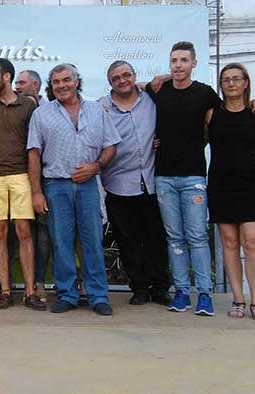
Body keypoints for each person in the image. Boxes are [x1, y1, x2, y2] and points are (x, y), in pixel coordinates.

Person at [28, 63, 120, 315]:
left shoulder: (96, 110)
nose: (62, 85)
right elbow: (34, 154)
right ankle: (67, 294)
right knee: (62, 243)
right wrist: (36, 192)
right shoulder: (41, 115)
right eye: (56, 82)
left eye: (66, 79)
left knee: (92, 241)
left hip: (88, 185)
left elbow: (111, 145)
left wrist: (96, 166)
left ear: (77, 81)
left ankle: (98, 296)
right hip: (56, 185)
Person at [146, 41, 221, 316]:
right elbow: (133, 86)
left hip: (193, 177)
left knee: (197, 236)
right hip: (164, 177)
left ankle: (204, 294)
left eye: (183, 60)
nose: (178, 65)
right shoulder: (160, 90)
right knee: (174, 237)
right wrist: (162, 78)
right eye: (174, 61)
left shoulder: (205, 93)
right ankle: (180, 292)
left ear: (194, 64)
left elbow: (217, 127)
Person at [100, 60, 172, 306]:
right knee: (128, 242)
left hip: (151, 183)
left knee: (156, 240)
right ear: (110, 83)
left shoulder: (151, 98)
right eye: (116, 78)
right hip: (118, 185)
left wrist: (158, 79)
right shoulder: (100, 107)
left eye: (126, 75)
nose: (122, 80)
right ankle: (139, 288)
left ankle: (160, 288)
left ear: (134, 75)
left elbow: (177, 77)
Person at [0, 57, 42, 310]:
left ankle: (30, 292)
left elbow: (34, 146)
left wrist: (35, 185)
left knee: (24, 232)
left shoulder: (28, 105)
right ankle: (4, 291)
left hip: (21, 175)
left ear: (6, 77)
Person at [206, 63, 255, 320]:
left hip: (250, 183)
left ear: (245, 82)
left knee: (252, 240)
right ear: (221, 85)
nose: (231, 83)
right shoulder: (211, 114)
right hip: (220, 183)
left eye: (236, 78)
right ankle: (238, 299)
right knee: (229, 242)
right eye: (226, 79)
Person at [15, 69, 52, 301]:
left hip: (48, 178)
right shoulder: (13, 109)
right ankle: (31, 284)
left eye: (21, 82)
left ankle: (49, 283)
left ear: (36, 85)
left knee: (47, 233)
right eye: (16, 83)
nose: (17, 86)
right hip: (18, 178)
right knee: (28, 234)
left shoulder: (50, 109)